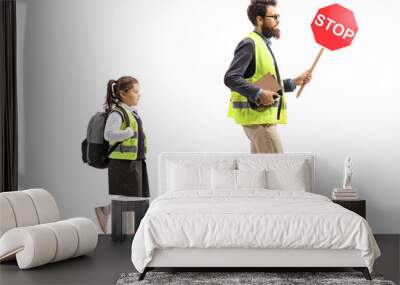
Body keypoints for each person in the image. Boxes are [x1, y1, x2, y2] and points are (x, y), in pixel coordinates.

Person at [224, 0, 312, 153]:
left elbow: (261, 82)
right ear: (259, 19)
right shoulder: (250, 43)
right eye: (274, 17)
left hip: (259, 121)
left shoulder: (261, 44)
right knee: (278, 170)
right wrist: (258, 94)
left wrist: (294, 82)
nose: (278, 21)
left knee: (260, 173)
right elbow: (231, 78)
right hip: (260, 123)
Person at [95, 76, 150, 233]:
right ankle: (128, 234)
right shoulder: (117, 114)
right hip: (122, 163)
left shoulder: (131, 113)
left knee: (137, 199)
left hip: (136, 161)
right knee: (128, 200)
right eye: (135, 91)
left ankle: (105, 212)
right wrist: (127, 132)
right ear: (123, 93)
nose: (139, 95)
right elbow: (108, 135)